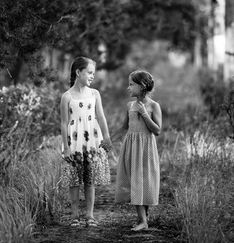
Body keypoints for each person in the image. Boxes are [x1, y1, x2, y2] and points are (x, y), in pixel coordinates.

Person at [60, 56, 112, 228]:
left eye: (93, 73)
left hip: (91, 140)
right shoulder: (67, 97)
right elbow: (64, 123)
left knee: (90, 179)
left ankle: (90, 215)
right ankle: (75, 216)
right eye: (89, 72)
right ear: (78, 72)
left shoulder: (94, 94)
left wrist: (107, 137)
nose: (92, 76)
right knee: (74, 180)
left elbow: (101, 117)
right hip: (74, 142)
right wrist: (66, 148)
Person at [114, 69, 162, 231]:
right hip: (132, 146)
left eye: (131, 84)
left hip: (146, 148)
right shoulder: (129, 105)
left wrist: (145, 114)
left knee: (146, 181)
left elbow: (157, 130)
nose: (128, 88)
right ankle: (142, 220)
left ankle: (144, 219)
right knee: (136, 180)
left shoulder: (154, 106)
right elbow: (124, 127)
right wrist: (108, 141)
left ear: (142, 86)